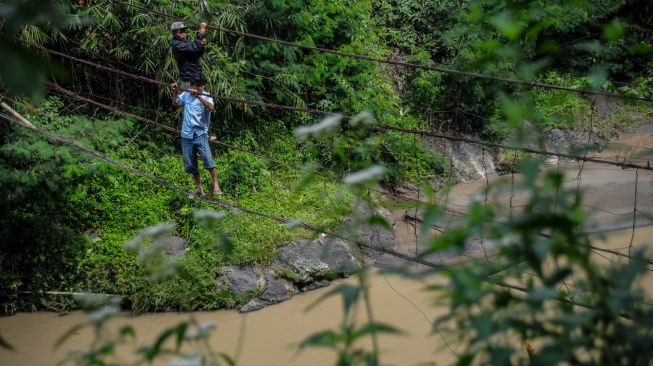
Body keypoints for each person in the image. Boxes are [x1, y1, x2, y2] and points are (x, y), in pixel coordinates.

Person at [171, 74, 223, 198]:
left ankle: (216, 185)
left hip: (200, 133)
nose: (199, 88)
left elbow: (211, 107)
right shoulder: (186, 94)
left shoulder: (206, 95)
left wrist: (199, 97)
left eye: (201, 86)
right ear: (192, 85)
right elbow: (175, 103)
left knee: (208, 159)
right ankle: (198, 188)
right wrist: (176, 91)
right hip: (186, 134)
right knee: (190, 163)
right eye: (197, 86)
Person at [170, 21, 208, 90]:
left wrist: (202, 45)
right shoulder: (177, 45)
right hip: (189, 79)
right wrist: (201, 31)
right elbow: (195, 47)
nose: (184, 34)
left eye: (184, 31)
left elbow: (198, 52)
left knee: (199, 99)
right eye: (180, 32)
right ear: (174, 34)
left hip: (196, 76)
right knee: (190, 99)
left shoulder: (185, 42)